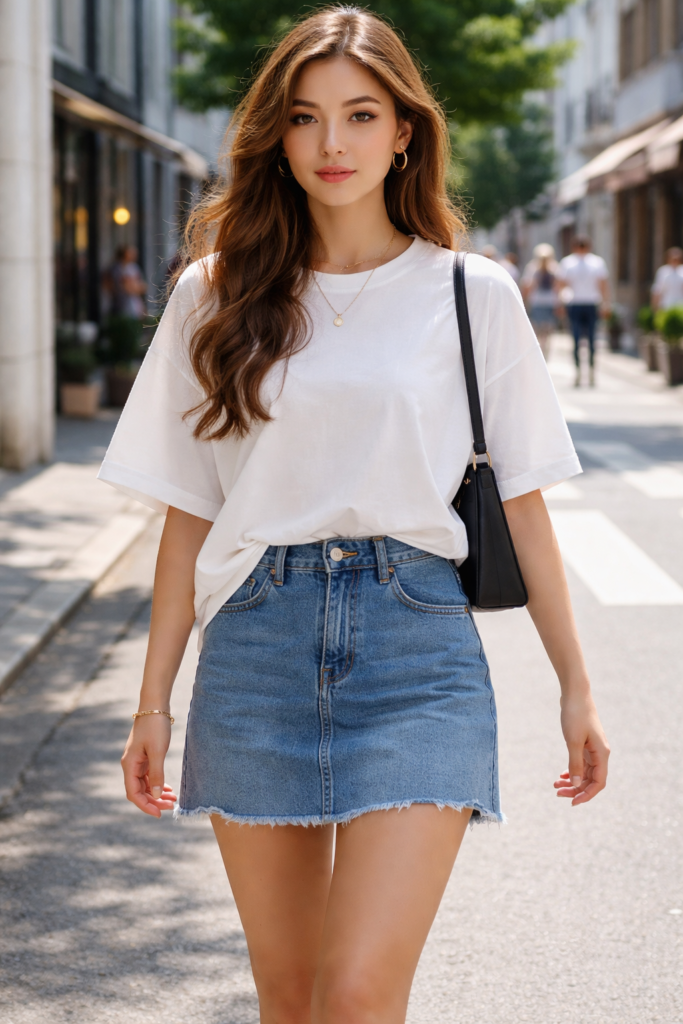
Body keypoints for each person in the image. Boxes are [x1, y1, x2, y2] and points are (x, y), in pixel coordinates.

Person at [99, 9, 609, 1023]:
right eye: (304, 118)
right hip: (254, 647)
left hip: (415, 652)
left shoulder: (473, 294)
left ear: (403, 131)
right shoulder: (215, 296)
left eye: (360, 115)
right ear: (276, 138)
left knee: (357, 994)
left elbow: (523, 504)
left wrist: (574, 688)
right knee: (289, 1000)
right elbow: (188, 514)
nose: (332, 144)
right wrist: (153, 701)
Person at [557, 235, 609, 387]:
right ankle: (579, 371)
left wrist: (605, 303)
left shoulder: (596, 262)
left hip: (591, 302)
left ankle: (592, 370)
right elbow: (561, 284)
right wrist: (561, 302)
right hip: (575, 303)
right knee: (576, 338)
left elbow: (603, 284)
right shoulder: (568, 262)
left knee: (592, 339)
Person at [521, 243, 560, 360]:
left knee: (539, 329)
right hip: (547, 302)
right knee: (545, 329)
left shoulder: (533, 267)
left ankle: (540, 351)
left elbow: (527, 285)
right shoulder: (553, 268)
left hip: (540, 302)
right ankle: (543, 350)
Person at [109, 244, 147, 320]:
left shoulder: (134, 267)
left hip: (135, 305)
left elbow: (143, 287)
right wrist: (134, 287)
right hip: (122, 305)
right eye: (130, 252)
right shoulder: (118, 268)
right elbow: (126, 288)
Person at [652, 246, 683, 310]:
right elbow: (657, 290)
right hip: (666, 305)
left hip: (680, 305)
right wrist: (655, 306)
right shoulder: (663, 271)